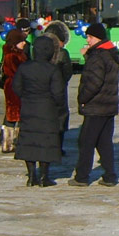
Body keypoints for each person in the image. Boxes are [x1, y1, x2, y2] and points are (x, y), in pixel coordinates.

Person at [69, 23, 119, 187]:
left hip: (96, 106)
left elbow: (94, 81)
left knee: (86, 142)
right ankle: (110, 175)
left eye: (90, 37)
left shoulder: (97, 56)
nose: (88, 40)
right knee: (104, 141)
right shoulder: (108, 53)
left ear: (97, 37)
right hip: (108, 105)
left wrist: (82, 98)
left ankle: (82, 177)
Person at [12, 33, 64, 187]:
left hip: (28, 107)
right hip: (47, 110)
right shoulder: (52, 70)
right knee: (45, 142)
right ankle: (44, 177)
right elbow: (58, 93)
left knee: (29, 141)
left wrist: (27, 97)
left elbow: (16, 87)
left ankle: (31, 177)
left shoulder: (25, 67)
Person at [41, 21, 74, 154]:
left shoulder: (39, 50)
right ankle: (58, 147)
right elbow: (68, 72)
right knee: (60, 118)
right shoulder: (62, 53)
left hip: (42, 91)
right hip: (59, 91)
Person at [0, 28, 29, 153]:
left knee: (14, 115)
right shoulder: (13, 56)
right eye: (21, 41)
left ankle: (12, 142)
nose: (24, 43)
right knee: (14, 115)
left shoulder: (17, 53)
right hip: (14, 89)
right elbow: (16, 73)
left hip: (15, 87)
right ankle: (10, 143)